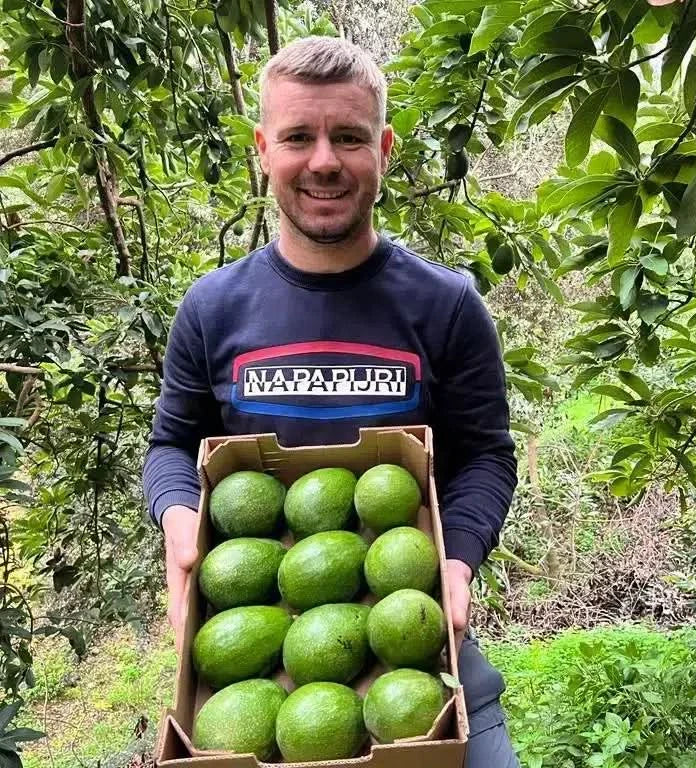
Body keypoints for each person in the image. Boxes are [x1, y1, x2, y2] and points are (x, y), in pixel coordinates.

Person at [143, 36, 519, 768]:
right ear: (263, 150)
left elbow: (485, 456)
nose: (323, 161)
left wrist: (458, 560)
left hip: (419, 651)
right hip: (256, 665)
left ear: (384, 149)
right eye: (297, 138)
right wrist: (179, 516)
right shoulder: (212, 309)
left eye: (348, 137)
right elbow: (172, 445)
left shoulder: (447, 307)